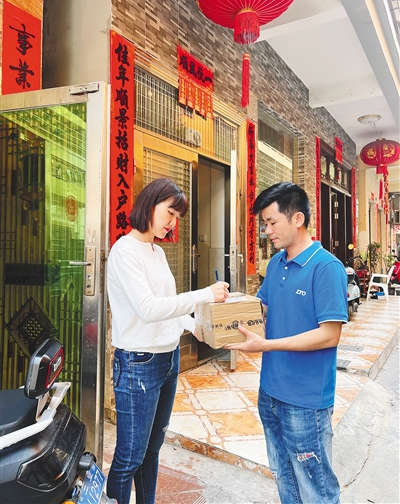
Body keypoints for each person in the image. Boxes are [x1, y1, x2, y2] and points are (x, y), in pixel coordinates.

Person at [106, 177, 229, 504]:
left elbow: (166, 306)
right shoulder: (124, 251)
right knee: (130, 455)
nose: (173, 223)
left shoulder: (157, 252)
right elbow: (148, 309)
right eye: (170, 213)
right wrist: (204, 294)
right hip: (138, 363)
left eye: (177, 217)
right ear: (150, 204)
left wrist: (194, 326)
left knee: (152, 450)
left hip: (168, 359)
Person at [226, 182, 347, 504]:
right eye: (264, 224)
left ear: (297, 219)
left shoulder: (326, 267)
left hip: (305, 402)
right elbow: (262, 308)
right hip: (270, 392)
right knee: (285, 479)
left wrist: (266, 345)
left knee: (316, 489)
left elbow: (329, 334)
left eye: (271, 222)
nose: (267, 231)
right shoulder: (276, 263)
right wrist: (220, 314)